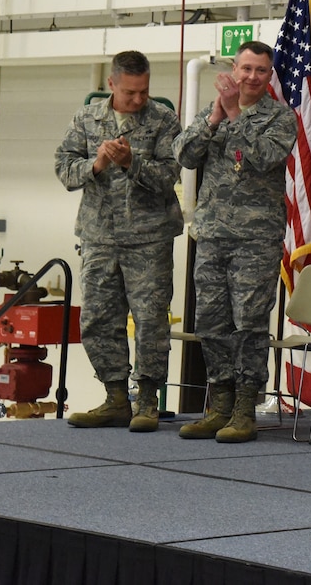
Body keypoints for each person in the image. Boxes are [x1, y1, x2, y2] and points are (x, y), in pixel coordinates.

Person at [172, 40, 297, 444]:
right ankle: (219, 405)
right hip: (211, 235)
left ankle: (245, 409)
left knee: (249, 324)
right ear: (234, 69)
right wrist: (214, 117)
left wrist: (234, 114)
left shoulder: (280, 117)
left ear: (269, 75)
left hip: (255, 238)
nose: (252, 77)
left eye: (261, 70)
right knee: (211, 323)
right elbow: (185, 155)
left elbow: (263, 157)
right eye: (246, 69)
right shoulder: (213, 110)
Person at [55, 50, 183, 432]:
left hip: (148, 238)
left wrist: (130, 163)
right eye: (130, 93)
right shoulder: (88, 118)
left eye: (144, 91)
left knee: (150, 322)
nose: (139, 100)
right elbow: (64, 166)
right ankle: (115, 398)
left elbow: (169, 175)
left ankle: (147, 400)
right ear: (111, 84)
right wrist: (97, 164)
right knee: (97, 319)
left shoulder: (163, 120)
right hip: (99, 236)